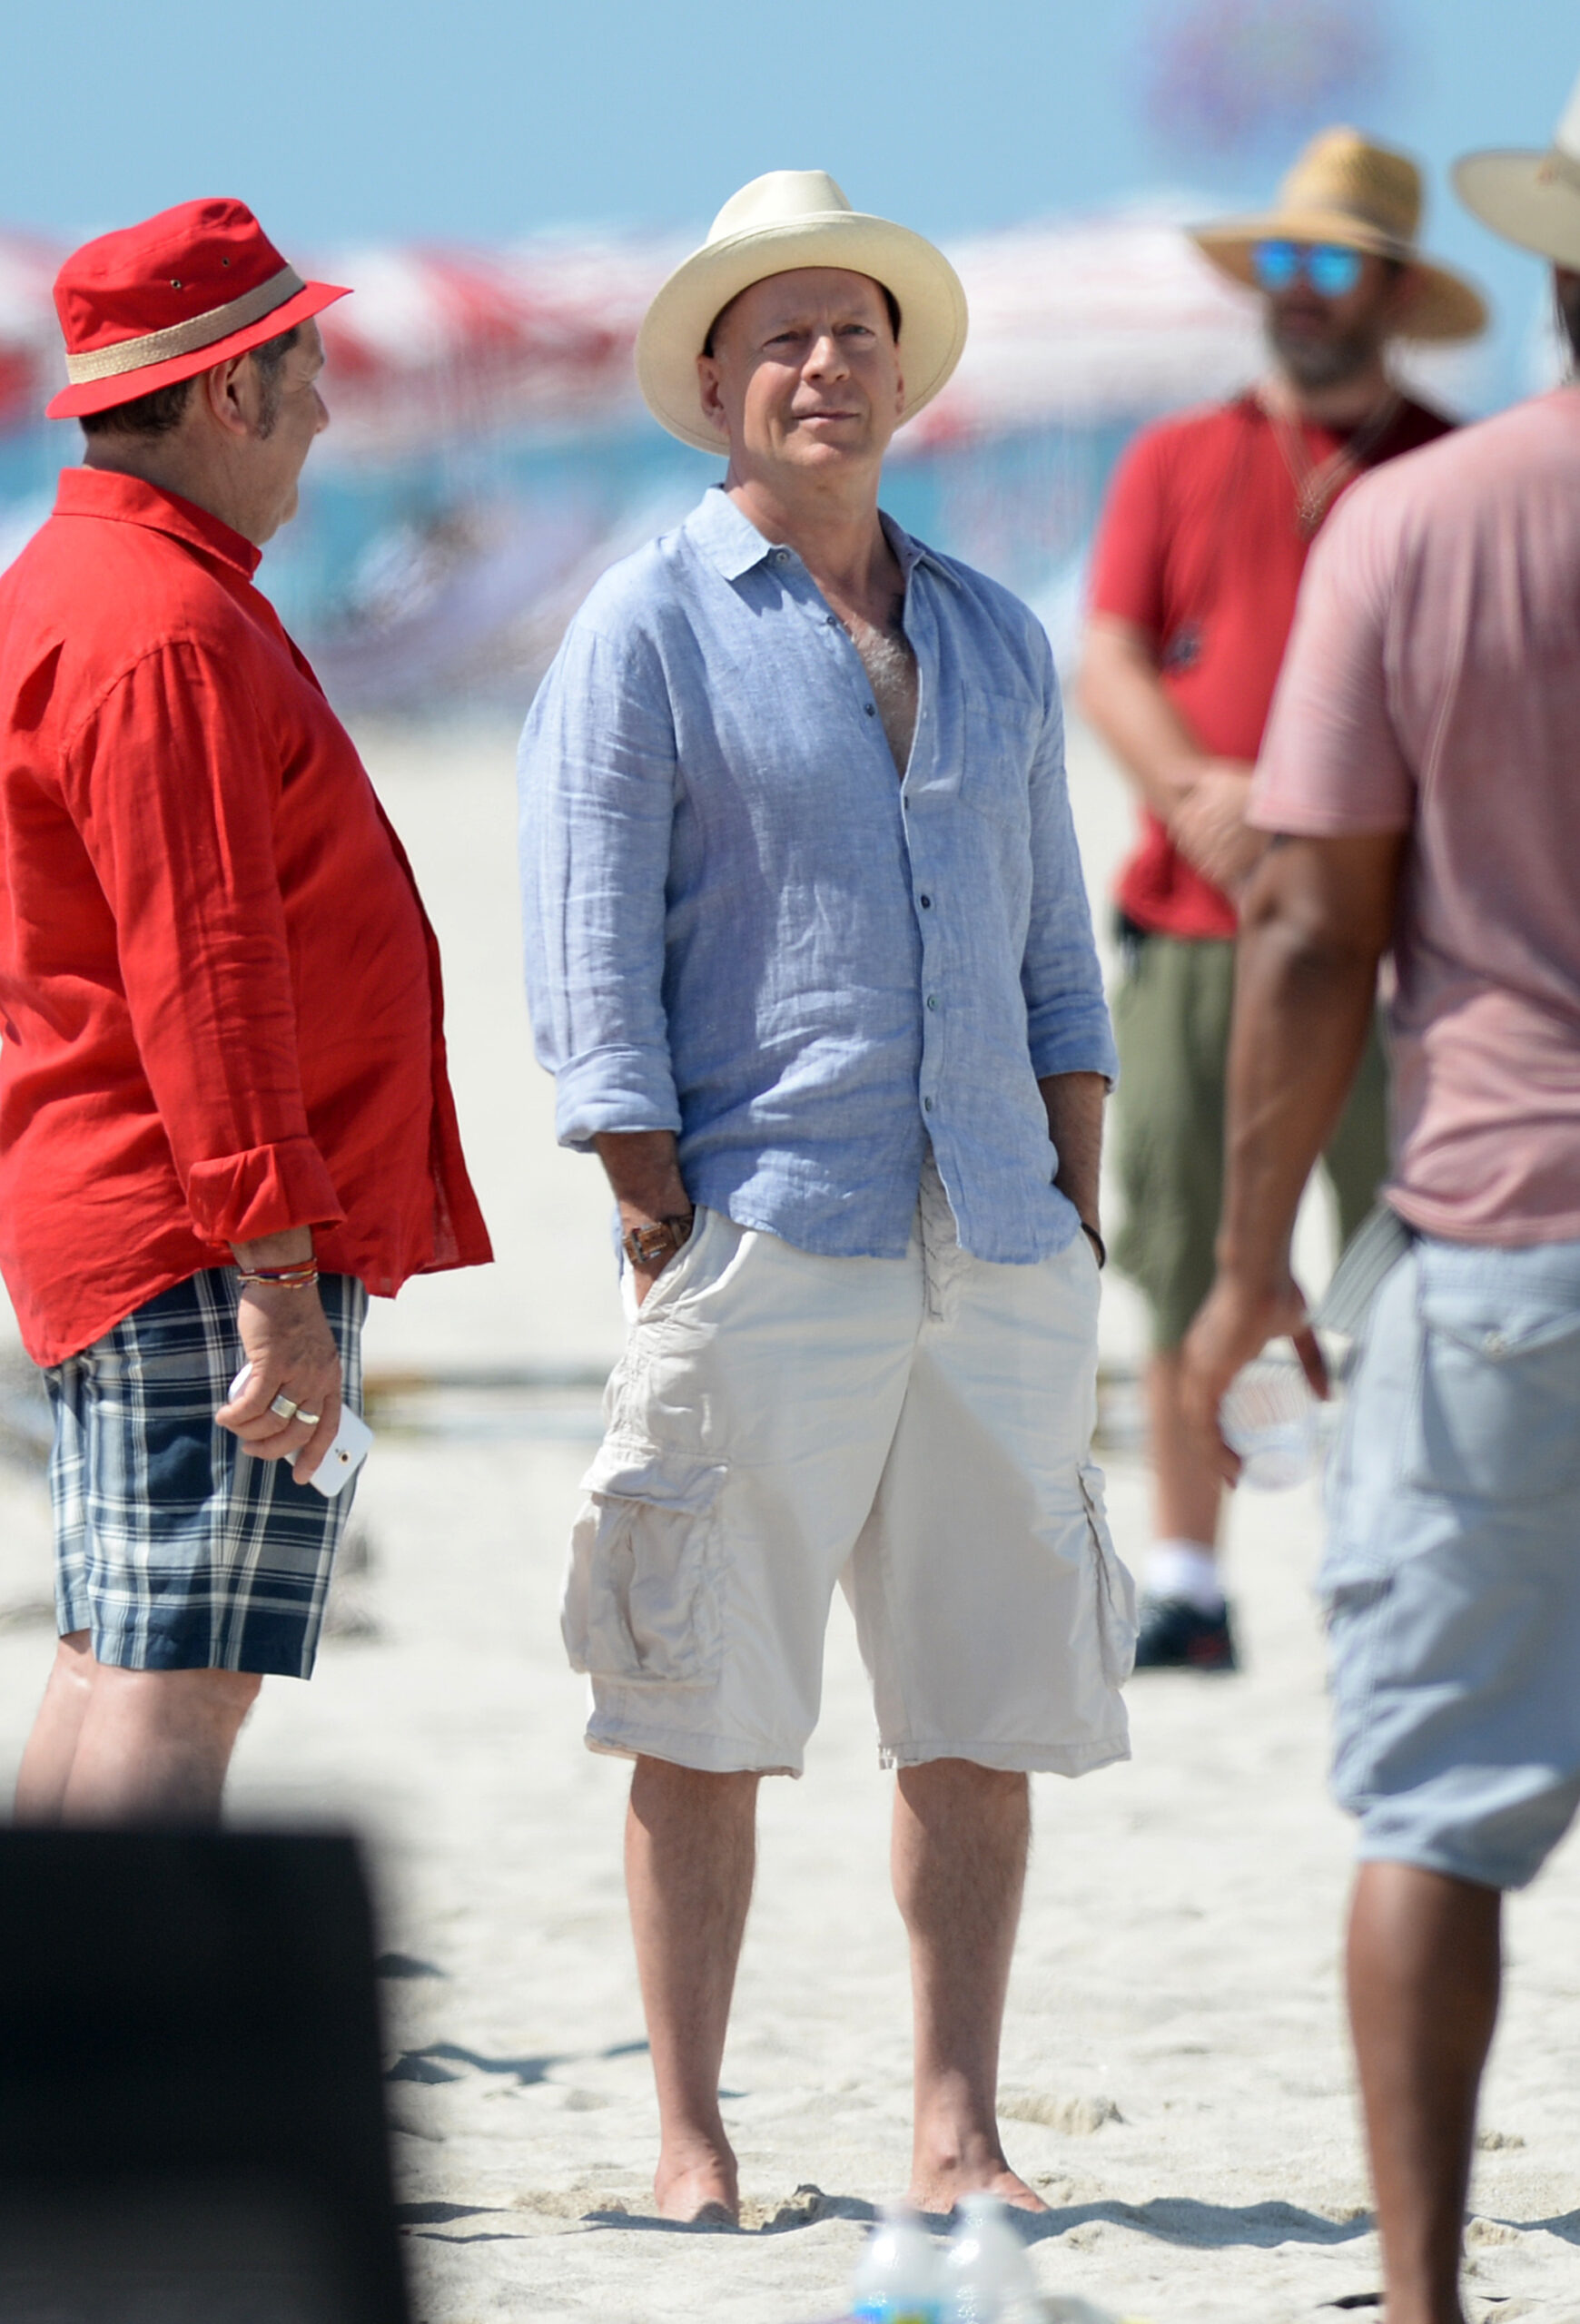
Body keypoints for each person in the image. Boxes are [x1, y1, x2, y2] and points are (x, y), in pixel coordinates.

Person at [519, 170, 1132, 2223]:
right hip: (766, 1223)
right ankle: (692, 2141)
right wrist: (657, 1223)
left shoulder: (986, 626)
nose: (822, 364)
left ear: (900, 375)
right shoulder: (644, 623)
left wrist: (1079, 1199)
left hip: (1000, 1241)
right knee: (701, 1701)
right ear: (714, 379)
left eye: (854, 333)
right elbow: (588, 968)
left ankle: (956, 2130)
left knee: (974, 1715)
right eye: (780, 335)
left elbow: (1061, 953)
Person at [1180, 74, 1580, 2324]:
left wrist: (1252, 1269)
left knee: (1438, 1800)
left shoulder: (1422, 525)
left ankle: (1424, 2294)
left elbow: (1320, 927)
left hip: (1504, 1217)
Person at [0, 200, 490, 1824]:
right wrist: (275, 1266)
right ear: (229, 392)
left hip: (145, 1205)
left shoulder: (106, 585)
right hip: (196, 1226)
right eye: (307, 367)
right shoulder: (159, 620)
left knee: (117, 1648)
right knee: (177, 1670)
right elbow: (204, 975)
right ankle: (106, 2058)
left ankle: (56, 2045)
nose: (328, 408)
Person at [1078, 129, 1486, 1669]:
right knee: (1185, 1242)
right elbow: (1111, 655)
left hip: (1401, 934)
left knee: (1405, 1251)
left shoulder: (1446, 465)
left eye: (1333, 265)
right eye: (1285, 264)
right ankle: (1191, 1575)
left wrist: (1321, 823)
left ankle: (1389, 1558)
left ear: (1389, 286)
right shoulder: (1177, 457)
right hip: (1193, 924)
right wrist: (1206, 797)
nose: (1300, 293)